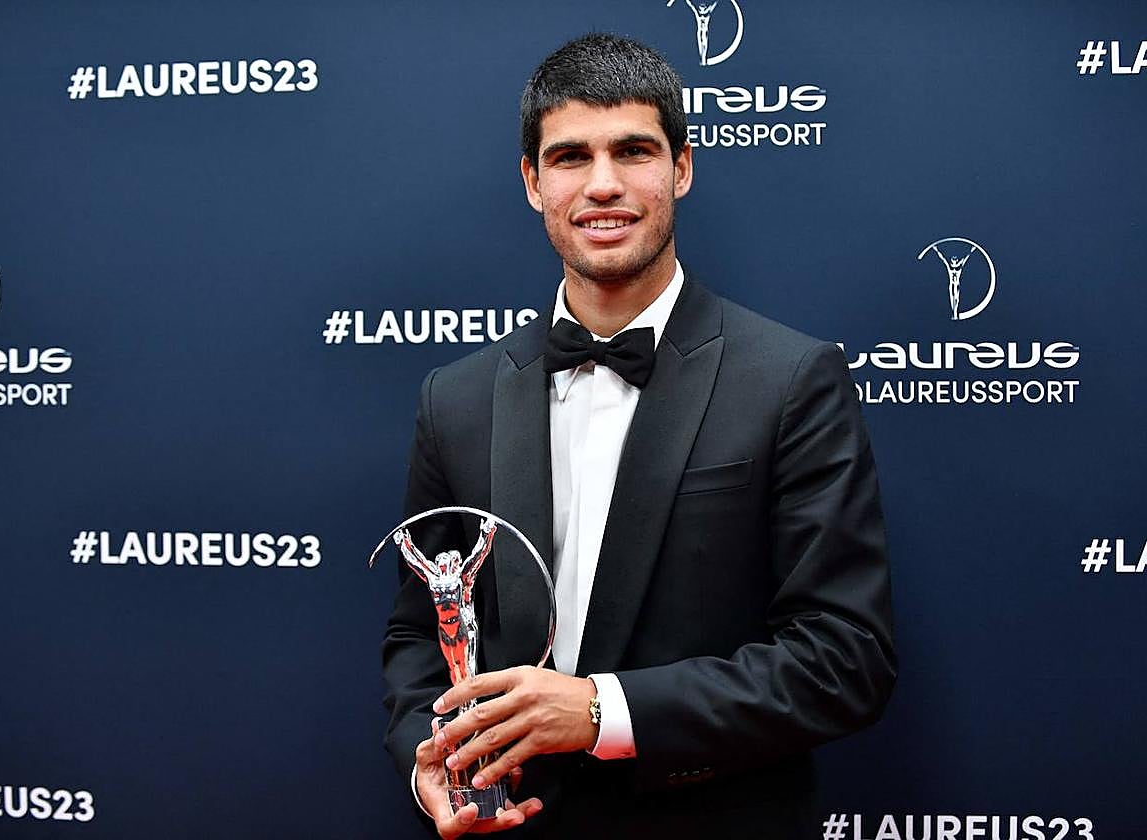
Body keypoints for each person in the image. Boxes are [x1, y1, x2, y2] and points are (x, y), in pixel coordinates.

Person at [382, 33, 896, 839]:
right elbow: (421, 628)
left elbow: (843, 659)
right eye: (570, 157)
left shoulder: (792, 378)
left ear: (682, 168)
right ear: (532, 181)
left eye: (633, 151)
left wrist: (598, 712)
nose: (604, 185)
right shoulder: (457, 397)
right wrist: (431, 753)